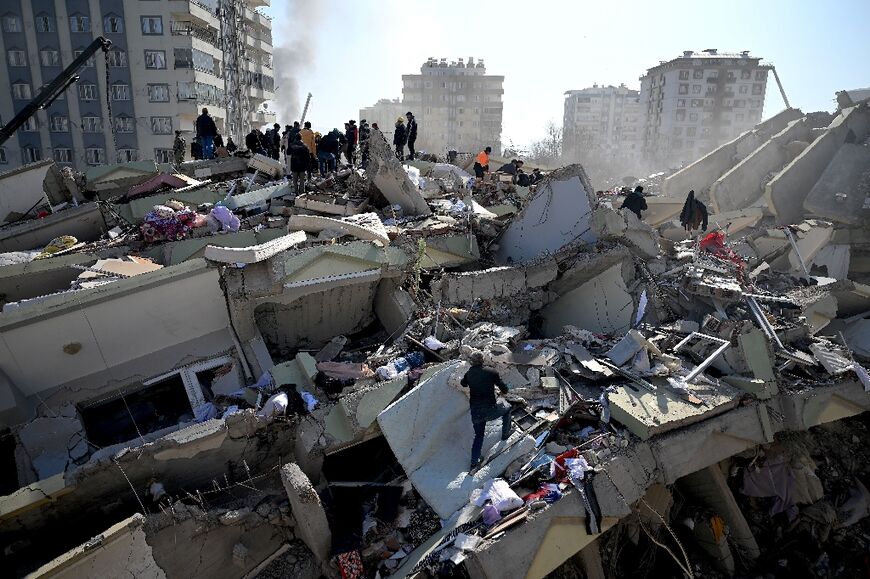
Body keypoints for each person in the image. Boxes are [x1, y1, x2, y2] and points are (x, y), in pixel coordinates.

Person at [461, 350, 512, 470]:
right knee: (508, 408)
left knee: (479, 435)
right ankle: (505, 434)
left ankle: (474, 462)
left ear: (471, 362)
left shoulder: (469, 373)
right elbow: (504, 389)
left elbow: (463, 384)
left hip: (475, 412)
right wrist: (503, 389)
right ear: (483, 360)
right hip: (490, 410)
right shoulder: (491, 372)